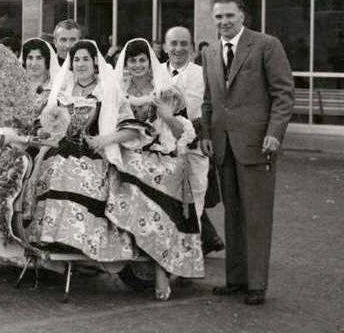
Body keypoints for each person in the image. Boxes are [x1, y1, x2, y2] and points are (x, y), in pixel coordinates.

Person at [200, 0, 294, 306]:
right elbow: (210, 99)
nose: (224, 22)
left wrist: (275, 134)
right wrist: (208, 133)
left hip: (257, 145)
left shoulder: (267, 45)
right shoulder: (211, 52)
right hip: (224, 147)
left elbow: (283, 95)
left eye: (229, 15)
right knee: (233, 216)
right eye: (218, 17)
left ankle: (257, 285)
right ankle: (236, 279)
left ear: (243, 16)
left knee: (256, 217)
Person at [107, 38, 206, 301]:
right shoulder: (118, 90)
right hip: (128, 154)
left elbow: (182, 135)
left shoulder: (165, 92)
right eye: (132, 61)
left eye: (142, 60)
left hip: (160, 155)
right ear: (125, 64)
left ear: (150, 63)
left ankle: (162, 269)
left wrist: (167, 116)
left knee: (158, 184)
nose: (138, 65)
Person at [26, 40, 137, 265]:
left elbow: (132, 128)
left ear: (95, 61)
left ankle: (76, 239)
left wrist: (104, 139)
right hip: (60, 149)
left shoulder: (107, 89)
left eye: (86, 58)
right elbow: (47, 123)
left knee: (73, 171)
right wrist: (45, 132)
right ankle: (50, 239)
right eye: (76, 59)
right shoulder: (63, 90)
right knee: (51, 169)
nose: (81, 63)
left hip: (95, 153)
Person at [164, 26, 225, 255]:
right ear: (165, 45)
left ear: (191, 46)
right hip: (164, 151)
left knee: (195, 201)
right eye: (173, 43)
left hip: (194, 147)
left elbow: (211, 110)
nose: (178, 49)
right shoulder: (158, 72)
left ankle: (192, 254)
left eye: (183, 43)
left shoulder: (202, 74)